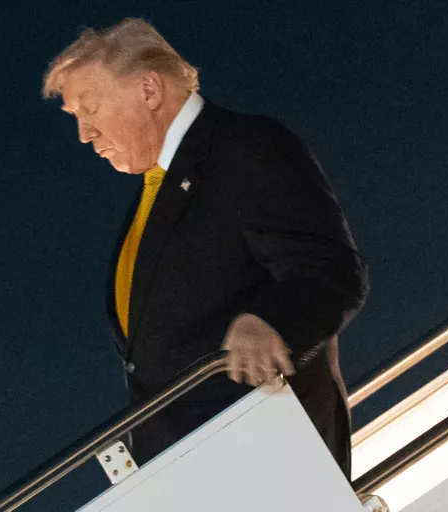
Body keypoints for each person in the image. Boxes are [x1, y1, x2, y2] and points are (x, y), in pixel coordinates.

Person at [42, 18, 369, 477]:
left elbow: (330, 270)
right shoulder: (154, 191)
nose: (84, 133)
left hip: (268, 461)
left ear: (149, 90)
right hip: (199, 475)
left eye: (90, 109)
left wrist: (268, 322)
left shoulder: (243, 147)